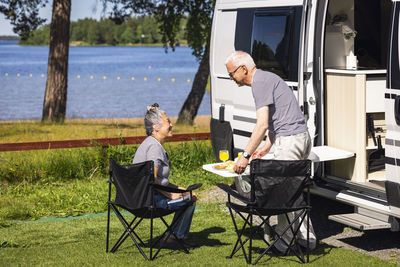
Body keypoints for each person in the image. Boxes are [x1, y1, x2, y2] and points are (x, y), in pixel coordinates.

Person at [225, 51, 316, 254]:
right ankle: (307, 240)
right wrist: (267, 146)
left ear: (243, 69)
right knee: (293, 191)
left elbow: (262, 124)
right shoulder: (268, 78)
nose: (231, 78)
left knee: (282, 194)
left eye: (231, 73)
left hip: (291, 141)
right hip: (301, 137)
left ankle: (282, 245)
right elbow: (280, 116)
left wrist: (244, 156)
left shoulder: (260, 82)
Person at [132, 103, 197, 249]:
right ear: (156, 127)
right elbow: (151, 179)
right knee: (190, 200)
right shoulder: (155, 148)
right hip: (149, 201)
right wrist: (170, 195)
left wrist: (179, 189)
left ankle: (174, 236)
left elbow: (158, 179)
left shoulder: (149, 143)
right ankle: (173, 238)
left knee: (187, 194)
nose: (171, 124)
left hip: (136, 198)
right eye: (168, 122)